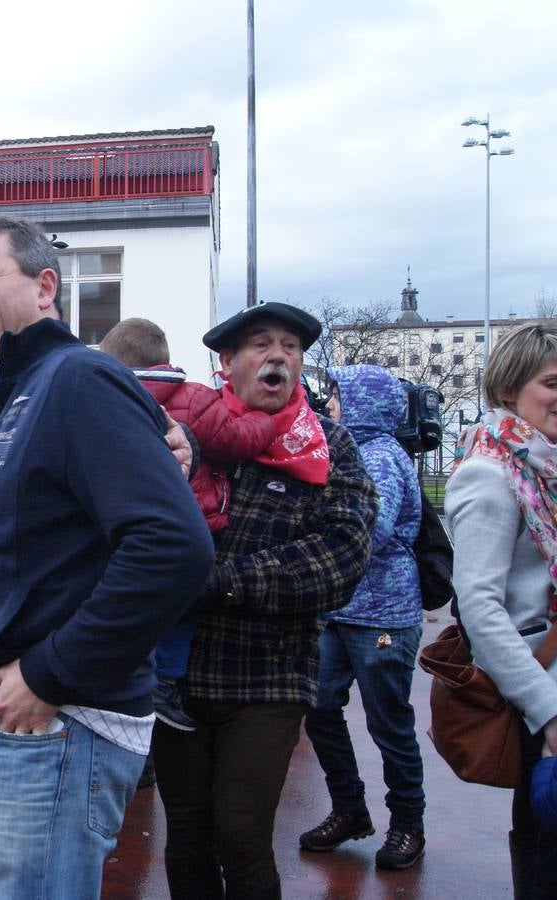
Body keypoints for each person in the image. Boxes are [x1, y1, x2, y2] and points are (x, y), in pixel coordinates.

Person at [0, 214, 215, 899]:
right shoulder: (16, 394)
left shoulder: (76, 377)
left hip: (54, 728)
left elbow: (172, 547)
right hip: (13, 729)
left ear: (46, 287)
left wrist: (50, 673)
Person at [150, 301, 378, 900]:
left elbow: (339, 561)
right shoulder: (187, 439)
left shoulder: (329, 446)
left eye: (290, 346)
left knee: (242, 835)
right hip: (179, 680)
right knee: (189, 838)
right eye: (261, 345)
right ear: (227, 363)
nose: (278, 355)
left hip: (270, 678)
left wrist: (212, 582)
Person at [100, 317, 277, 732]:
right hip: (191, 524)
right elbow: (236, 440)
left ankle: (129, 680)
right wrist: (270, 418)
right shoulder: (194, 398)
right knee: (181, 612)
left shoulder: (104, 397)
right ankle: (164, 684)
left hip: (124, 527)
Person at [299, 365, 427, 870]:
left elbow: (367, 534)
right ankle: (350, 808)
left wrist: (312, 532)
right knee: (320, 705)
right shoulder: (349, 450)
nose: (329, 404)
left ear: (361, 403)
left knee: (389, 722)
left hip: (383, 616)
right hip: (341, 609)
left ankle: (407, 824)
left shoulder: (380, 457)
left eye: (335, 396)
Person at [445, 323, 557, 897]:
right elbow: (481, 610)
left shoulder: (545, 466)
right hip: (541, 681)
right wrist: (548, 713)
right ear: (511, 389)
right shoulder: (492, 474)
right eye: (552, 383)